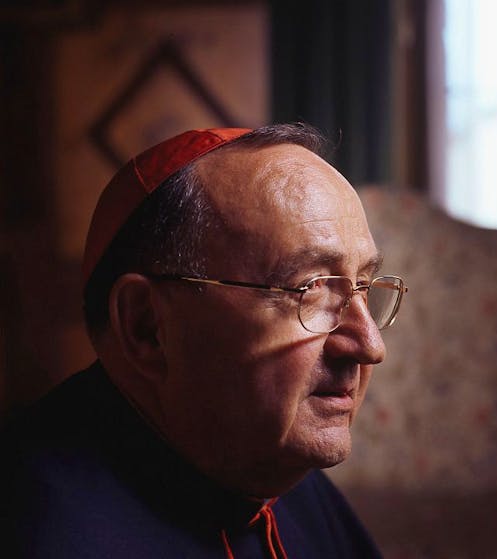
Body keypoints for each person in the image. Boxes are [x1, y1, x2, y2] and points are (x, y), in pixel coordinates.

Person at [0, 124, 407, 558]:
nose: (369, 346)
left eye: (363, 286)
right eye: (309, 288)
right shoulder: (42, 531)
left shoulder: (264, 464)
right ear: (147, 327)